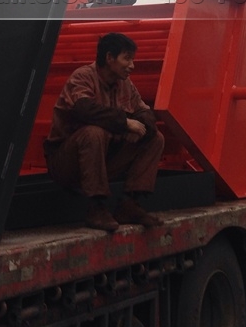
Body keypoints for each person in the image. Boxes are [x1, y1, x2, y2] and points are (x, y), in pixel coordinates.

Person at [43, 32, 165, 231]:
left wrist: (140, 126)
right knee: (93, 133)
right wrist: (125, 123)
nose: (132, 65)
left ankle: (129, 204)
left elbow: (146, 114)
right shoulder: (83, 76)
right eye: (127, 59)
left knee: (155, 138)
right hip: (66, 163)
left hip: (104, 158)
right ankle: (96, 207)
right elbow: (84, 109)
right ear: (109, 57)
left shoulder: (125, 84)